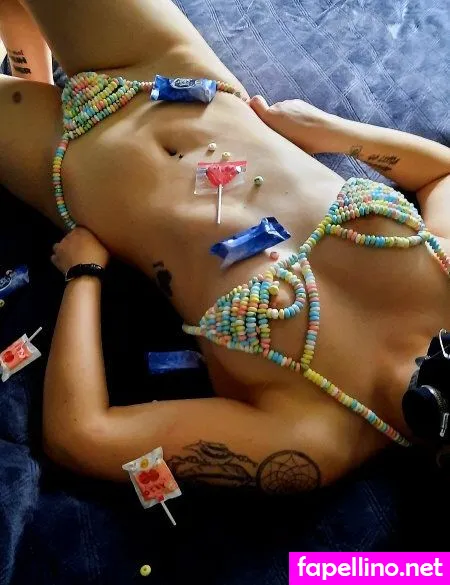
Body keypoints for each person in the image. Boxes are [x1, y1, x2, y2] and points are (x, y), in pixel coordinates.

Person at [0, 0, 449, 494]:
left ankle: (28, 81)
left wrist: (83, 273)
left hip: (75, 167)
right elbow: (442, 174)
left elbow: (81, 435)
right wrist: (333, 133)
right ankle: (28, 68)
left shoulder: (314, 441)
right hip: (169, 69)